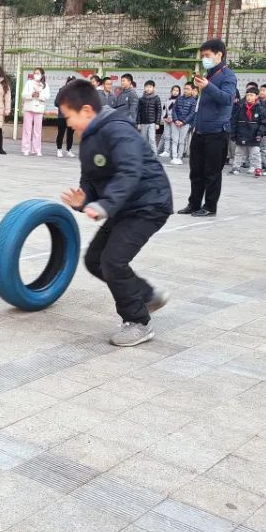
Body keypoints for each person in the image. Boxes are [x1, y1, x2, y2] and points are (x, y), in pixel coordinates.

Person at [55, 79, 172, 347]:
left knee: (112, 261)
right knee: (95, 260)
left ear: (86, 111)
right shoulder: (89, 138)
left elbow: (129, 171)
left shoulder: (118, 129)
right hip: (123, 206)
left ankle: (138, 322)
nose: (67, 123)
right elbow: (90, 180)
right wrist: (84, 200)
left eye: (68, 116)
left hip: (148, 204)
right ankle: (145, 295)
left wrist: (105, 205)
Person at [178, 39, 237, 217]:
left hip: (217, 131)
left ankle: (210, 207)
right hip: (200, 130)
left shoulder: (228, 75)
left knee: (212, 172)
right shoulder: (208, 74)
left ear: (219, 54)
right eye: (203, 56)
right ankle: (194, 204)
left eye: (207, 55)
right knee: (195, 171)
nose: (204, 59)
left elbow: (227, 99)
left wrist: (207, 86)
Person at [230, 87, 266, 175]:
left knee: (255, 153)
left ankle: (257, 168)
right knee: (238, 153)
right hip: (241, 134)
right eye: (247, 95)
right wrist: (233, 134)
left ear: (256, 96)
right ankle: (236, 167)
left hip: (254, 136)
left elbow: (264, 123)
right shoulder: (241, 107)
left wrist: (259, 134)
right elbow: (234, 121)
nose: (249, 97)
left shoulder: (260, 109)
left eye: (251, 95)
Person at [21, 68, 49, 157]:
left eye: (38, 73)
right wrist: (31, 95)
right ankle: (26, 149)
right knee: (27, 129)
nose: (36, 75)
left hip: (39, 109)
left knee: (37, 130)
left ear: (42, 75)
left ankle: (37, 149)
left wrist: (39, 95)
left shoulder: (45, 85)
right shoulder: (29, 83)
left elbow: (47, 96)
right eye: (35, 73)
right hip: (28, 108)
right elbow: (23, 95)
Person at [167, 82, 197, 166]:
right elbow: (174, 110)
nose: (185, 90)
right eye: (185, 88)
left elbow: (192, 114)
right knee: (174, 140)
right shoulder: (179, 98)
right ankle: (174, 157)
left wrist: (183, 122)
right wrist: (176, 120)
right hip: (175, 123)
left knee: (181, 141)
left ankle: (179, 158)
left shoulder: (193, 101)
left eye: (188, 89)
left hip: (185, 124)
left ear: (192, 90)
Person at [137, 80, 163, 154]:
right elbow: (138, 111)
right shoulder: (141, 99)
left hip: (152, 123)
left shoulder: (156, 98)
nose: (148, 88)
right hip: (143, 123)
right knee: (143, 139)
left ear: (153, 88)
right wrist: (138, 123)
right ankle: (143, 155)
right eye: (146, 87)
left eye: (150, 87)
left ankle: (154, 155)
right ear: (144, 88)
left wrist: (157, 123)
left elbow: (159, 111)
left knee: (152, 139)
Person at [55, 75, 78, 158]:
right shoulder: (62, 90)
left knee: (70, 134)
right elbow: (56, 102)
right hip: (62, 115)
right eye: (70, 82)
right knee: (61, 133)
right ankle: (59, 149)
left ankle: (69, 150)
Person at [158, 85, 181, 158]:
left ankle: (173, 152)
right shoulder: (167, 100)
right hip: (167, 120)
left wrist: (173, 119)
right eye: (174, 90)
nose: (175, 92)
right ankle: (166, 151)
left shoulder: (180, 101)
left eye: (177, 91)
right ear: (171, 91)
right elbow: (164, 109)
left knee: (174, 137)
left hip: (174, 121)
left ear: (179, 92)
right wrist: (165, 118)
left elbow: (179, 112)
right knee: (166, 136)